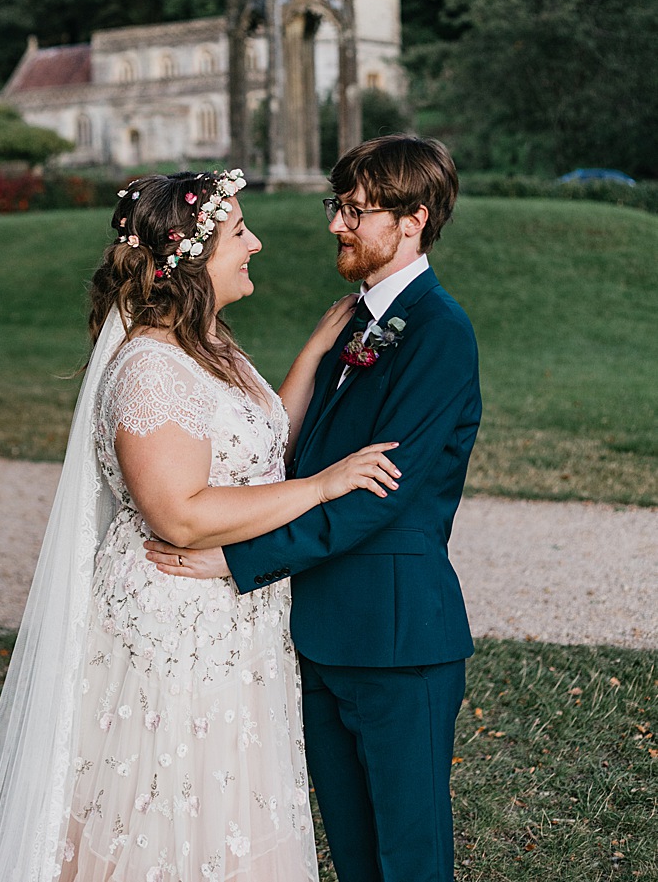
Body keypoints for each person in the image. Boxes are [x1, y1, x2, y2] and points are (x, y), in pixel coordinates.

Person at [0, 168, 401, 882]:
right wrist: (320, 487)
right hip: (175, 623)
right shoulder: (152, 368)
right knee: (161, 805)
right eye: (239, 231)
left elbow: (255, 453)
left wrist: (313, 355)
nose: (257, 241)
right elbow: (181, 513)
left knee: (226, 801)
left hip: (232, 615)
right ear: (191, 256)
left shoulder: (211, 347)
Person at [151, 136, 480, 882]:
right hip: (321, 635)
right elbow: (294, 458)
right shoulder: (352, 324)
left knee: (410, 860)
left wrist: (236, 557)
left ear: (412, 220)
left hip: (399, 644)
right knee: (358, 858)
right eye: (338, 205)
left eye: (356, 211)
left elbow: (376, 496)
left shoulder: (440, 333)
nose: (336, 224)